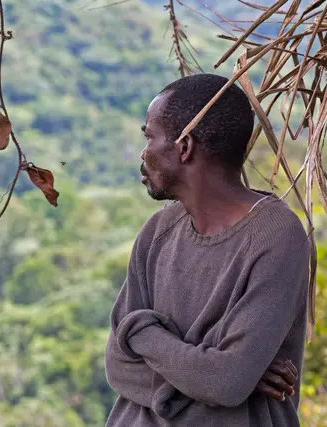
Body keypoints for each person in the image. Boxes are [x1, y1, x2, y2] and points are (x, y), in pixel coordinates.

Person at [104, 73, 310, 426]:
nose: (144, 151)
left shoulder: (277, 237)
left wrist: (139, 332)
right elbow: (117, 366)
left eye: (150, 136)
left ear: (184, 147)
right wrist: (212, 373)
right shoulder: (156, 233)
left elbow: (226, 383)